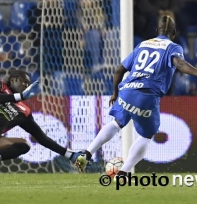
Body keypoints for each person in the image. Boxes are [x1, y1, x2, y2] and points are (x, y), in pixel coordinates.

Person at [75, 15, 197, 177]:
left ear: (156, 31)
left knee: (117, 123)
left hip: (127, 90)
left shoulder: (143, 44)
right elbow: (180, 64)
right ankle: (124, 173)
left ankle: (86, 154)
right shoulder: (173, 47)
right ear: (174, 32)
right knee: (146, 136)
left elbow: (120, 69)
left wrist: (115, 92)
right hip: (146, 95)